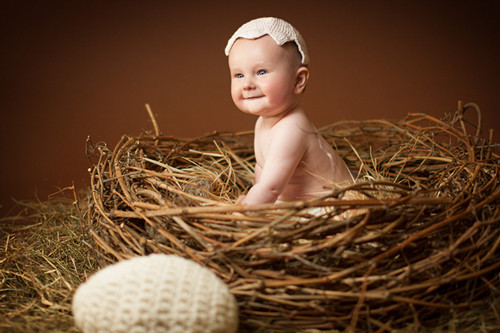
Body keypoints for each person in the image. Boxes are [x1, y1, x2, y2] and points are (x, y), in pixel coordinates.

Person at [225, 17, 353, 206]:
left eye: (261, 72)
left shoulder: (292, 128)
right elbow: (263, 168)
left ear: (298, 80)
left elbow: (270, 188)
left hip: (329, 205)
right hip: (292, 203)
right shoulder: (264, 121)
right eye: (239, 75)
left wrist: (244, 212)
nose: (247, 84)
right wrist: (255, 197)